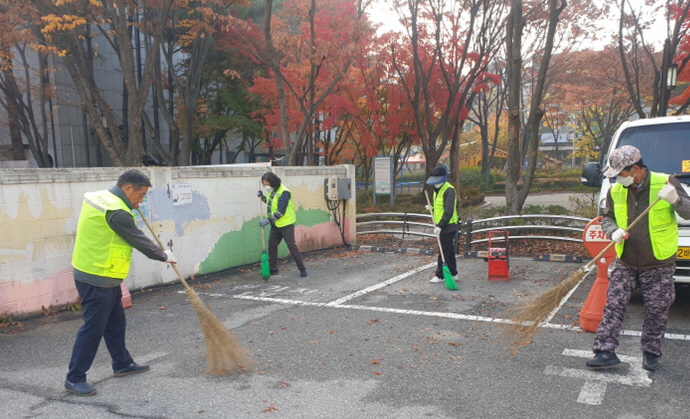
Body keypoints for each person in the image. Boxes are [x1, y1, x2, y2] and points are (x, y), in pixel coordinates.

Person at [65, 169, 176, 396]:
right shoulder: (117, 212)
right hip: (96, 275)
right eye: (140, 195)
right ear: (127, 189)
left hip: (104, 272)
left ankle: (122, 364)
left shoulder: (102, 198)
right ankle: (75, 377)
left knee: (115, 322)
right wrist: (164, 255)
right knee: (93, 327)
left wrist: (130, 206)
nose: (141, 200)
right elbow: (139, 240)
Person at [586, 145, 690, 371]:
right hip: (626, 261)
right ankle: (605, 351)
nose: (617, 179)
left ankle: (651, 353)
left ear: (634, 169)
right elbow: (607, 218)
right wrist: (612, 231)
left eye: (620, 174)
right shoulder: (616, 191)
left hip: (658, 263)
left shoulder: (666, 182)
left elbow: (688, 212)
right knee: (614, 305)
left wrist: (676, 201)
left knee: (657, 309)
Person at [257, 172, 307, 277]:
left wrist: (267, 221)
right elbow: (271, 204)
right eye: (264, 184)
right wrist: (262, 197)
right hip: (275, 224)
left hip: (286, 224)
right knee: (272, 246)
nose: (266, 187)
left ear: (273, 183)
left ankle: (302, 268)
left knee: (291, 245)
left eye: (267, 184)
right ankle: (273, 268)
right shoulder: (272, 191)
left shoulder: (284, 192)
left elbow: (280, 212)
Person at [425, 165, 459, 283]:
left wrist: (441, 225)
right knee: (448, 250)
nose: (435, 184)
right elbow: (440, 207)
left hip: (448, 225)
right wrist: (432, 208)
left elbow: (448, 210)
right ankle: (453, 273)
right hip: (442, 225)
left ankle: (440, 275)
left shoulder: (448, 190)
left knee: (443, 251)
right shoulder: (437, 190)